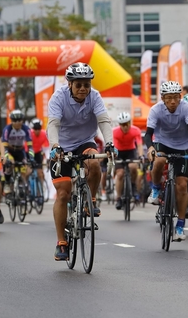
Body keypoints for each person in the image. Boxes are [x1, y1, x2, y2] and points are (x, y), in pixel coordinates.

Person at [47, 62, 115, 261]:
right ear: (70, 84)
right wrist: (55, 146)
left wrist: (109, 144)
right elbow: (53, 124)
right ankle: (61, 242)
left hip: (85, 141)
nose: (83, 88)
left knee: (94, 163)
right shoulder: (58, 97)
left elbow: (104, 121)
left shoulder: (95, 96)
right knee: (63, 193)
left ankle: (90, 200)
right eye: (79, 85)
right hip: (62, 145)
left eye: (87, 84)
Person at [145, 81, 188, 241]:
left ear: (180, 97)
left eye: (176, 97)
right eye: (169, 98)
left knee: (182, 185)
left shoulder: (187, 108)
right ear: (162, 98)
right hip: (162, 142)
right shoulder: (155, 110)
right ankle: (156, 188)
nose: (173, 101)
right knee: (159, 161)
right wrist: (150, 148)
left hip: (183, 145)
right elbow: (148, 134)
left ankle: (180, 225)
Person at [112, 112, 144, 210]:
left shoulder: (135, 130)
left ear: (130, 122)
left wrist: (141, 156)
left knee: (133, 167)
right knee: (120, 174)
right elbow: (114, 146)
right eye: (122, 125)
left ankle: (133, 186)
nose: (125, 127)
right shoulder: (115, 132)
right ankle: (118, 198)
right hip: (119, 152)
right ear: (119, 125)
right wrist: (114, 156)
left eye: (127, 124)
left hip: (131, 151)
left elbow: (139, 145)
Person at [2, 110, 35, 187]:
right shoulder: (7, 129)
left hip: (20, 150)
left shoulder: (26, 129)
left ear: (22, 120)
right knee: (10, 164)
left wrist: (31, 158)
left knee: (25, 166)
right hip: (9, 150)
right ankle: (7, 183)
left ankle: (22, 186)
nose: (17, 122)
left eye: (19, 120)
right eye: (15, 120)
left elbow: (30, 147)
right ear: (11, 121)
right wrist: (6, 158)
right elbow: (4, 147)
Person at [29, 118, 49, 198]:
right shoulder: (29, 134)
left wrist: (47, 158)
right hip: (29, 152)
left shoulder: (44, 134)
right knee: (27, 171)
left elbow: (46, 148)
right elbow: (25, 146)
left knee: (40, 172)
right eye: (35, 129)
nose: (37, 131)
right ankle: (26, 187)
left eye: (39, 129)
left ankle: (40, 191)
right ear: (32, 129)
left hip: (37, 153)